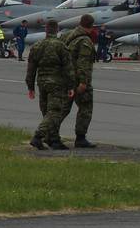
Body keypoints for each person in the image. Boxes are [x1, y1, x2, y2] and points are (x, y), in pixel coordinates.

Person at [25, 19, 74, 150]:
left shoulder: (37, 46)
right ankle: (38, 136)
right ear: (57, 30)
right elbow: (68, 68)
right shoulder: (61, 46)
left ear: (46, 30)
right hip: (56, 83)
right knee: (55, 112)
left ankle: (53, 139)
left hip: (42, 83)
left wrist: (30, 87)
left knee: (46, 111)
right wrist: (71, 86)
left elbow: (31, 69)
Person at [63, 13, 98, 148]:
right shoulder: (85, 41)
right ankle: (80, 138)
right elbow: (83, 63)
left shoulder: (68, 35)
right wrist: (83, 82)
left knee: (62, 109)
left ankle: (48, 134)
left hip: (66, 78)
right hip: (78, 80)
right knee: (86, 108)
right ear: (91, 26)